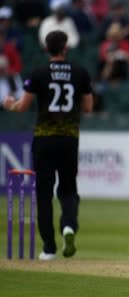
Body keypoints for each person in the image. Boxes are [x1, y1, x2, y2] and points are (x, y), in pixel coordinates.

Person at [2, 30, 94, 260]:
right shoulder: (80, 72)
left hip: (44, 139)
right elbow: (89, 108)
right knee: (68, 188)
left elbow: (23, 107)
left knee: (44, 194)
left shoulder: (39, 73)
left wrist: (10, 104)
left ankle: (49, 248)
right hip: (69, 138)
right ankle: (69, 227)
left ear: (46, 48)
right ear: (65, 47)